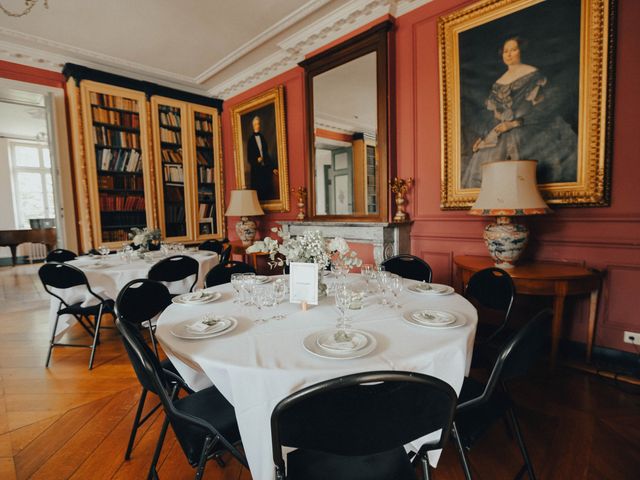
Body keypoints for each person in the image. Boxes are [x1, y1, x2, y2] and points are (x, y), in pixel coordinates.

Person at [461, 36, 578, 188]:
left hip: (529, 130)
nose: (508, 54)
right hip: (502, 134)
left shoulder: (533, 74)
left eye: (513, 50)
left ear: (521, 51)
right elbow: (496, 116)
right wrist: (485, 137)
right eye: (505, 51)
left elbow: (543, 109)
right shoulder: (499, 81)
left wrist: (515, 123)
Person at [246, 115, 279, 200]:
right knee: (259, 193)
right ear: (253, 126)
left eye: (258, 124)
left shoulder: (262, 138)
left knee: (268, 191)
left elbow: (266, 155)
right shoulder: (251, 140)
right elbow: (249, 158)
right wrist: (256, 160)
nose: (258, 126)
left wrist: (273, 168)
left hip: (265, 169)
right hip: (256, 171)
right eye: (256, 124)